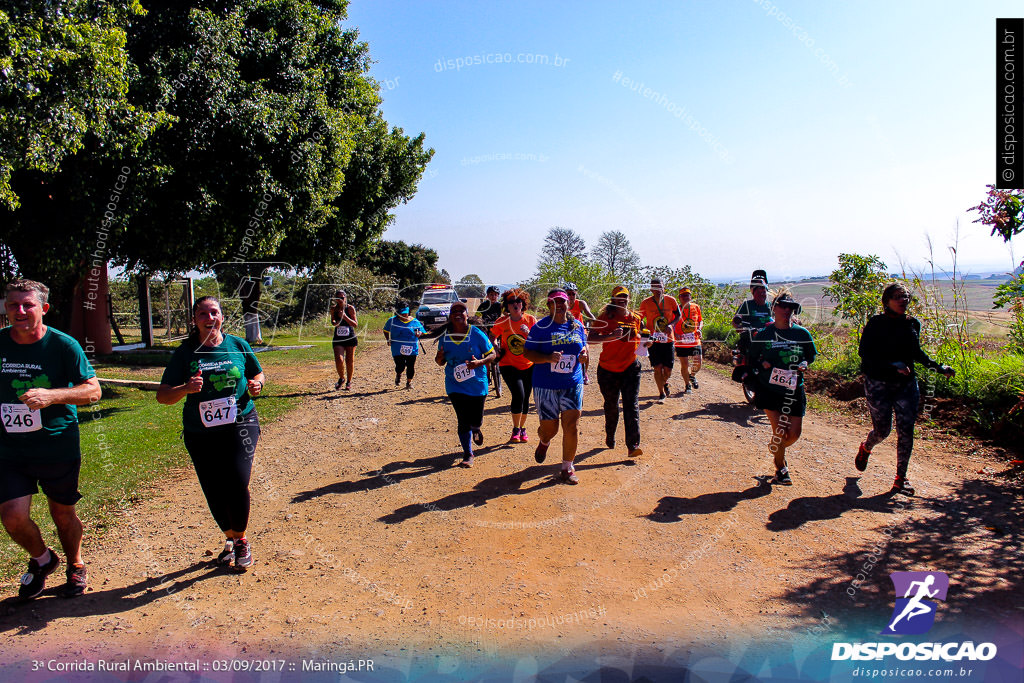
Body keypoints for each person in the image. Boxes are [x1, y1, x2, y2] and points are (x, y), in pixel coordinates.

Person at [0, 279, 101, 600]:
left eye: (27, 304)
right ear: (5, 308)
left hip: (56, 445)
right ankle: (43, 560)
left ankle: (75, 563)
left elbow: (93, 391)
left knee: (62, 514)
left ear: (42, 309)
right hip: (9, 449)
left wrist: (52, 395)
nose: (20, 311)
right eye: (13, 304)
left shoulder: (63, 345)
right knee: (13, 518)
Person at [157, 296, 266, 571]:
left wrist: (256, 385)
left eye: (214, 312)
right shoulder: (185, 353)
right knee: (213, 488)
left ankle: (241, 540)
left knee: (237, 480)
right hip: (201, 431)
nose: (209, 318)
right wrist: (185, 388)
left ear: (222, 317)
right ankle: (229, 537)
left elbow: (259, 373)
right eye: (203, 314)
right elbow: (163, 396)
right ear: (195, 320)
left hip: (241, 422)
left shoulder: (237, 345)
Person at [856, 282, 954, 496]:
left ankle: (901, 479)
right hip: (878, 383)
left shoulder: (912, 324)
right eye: (898, 297)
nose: (903, 301)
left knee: (906, 431)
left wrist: (938, 367)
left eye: (906, 297)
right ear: (887, 301)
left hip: (906, 386)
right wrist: (892, 365)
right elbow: (865, 354)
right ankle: (866, 447)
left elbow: (916, 353)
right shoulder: (875, 324)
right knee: (882, 431)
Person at [748, 291, 817, 486]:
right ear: (774, 308)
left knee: (793, 434)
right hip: (769, 389)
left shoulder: (801, 334)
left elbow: (810, 355)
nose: (787, 310)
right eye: (783, 306)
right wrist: (762, 365)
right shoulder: (764, 334)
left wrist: (804, 363)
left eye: (791, 308)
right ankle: (781, 468)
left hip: (794, 390)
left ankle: (775, 448)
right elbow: (753, 358)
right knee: (779, 431)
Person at [523, 289, 589, 484]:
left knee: (571, 426)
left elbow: (583, 348)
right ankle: (544, 441)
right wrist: (546, 358)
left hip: (572, 383)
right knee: (549, 429)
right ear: (549, 306)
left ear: (568, 303)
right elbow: (528, 353)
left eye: (562, 301)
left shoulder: (576, 326)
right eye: (554, 302)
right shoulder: (540, 327)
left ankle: (567, 467)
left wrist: (584, 356)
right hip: (546, 385)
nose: (559, 305)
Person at [434, 302, 495, 467]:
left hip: (477, 384)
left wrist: (480, 362)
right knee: (462, 419)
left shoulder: (476, 333)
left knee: (476, 419)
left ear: (467, 315)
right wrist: (440, 357)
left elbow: (492, 354)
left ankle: (476, 428)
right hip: (455, 384)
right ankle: (468, 454)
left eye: (462, 311)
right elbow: (440, 362)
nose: (458, 313)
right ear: (450, 316)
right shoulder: (445, 336)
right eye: (454, 311)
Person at [588, 286, 645, 457]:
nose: (623, 299)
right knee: (611, 405)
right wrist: (610, 336)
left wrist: (646, 343)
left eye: (625, 296)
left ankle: (632, 445)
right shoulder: (606, 317)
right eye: (619, 297)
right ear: (613, 299)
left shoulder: (635, 317)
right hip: (608, 370)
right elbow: (590, 338)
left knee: (631, 405)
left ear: (629, 298)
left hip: (630, 367)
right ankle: (610, 434)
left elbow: (642, 336)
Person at [489, 289, 537, 443]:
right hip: (508, 364)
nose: (515, 304)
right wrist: (496, 348)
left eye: (518, 301)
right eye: (511, 302)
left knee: (526, 398)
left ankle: (522, 428)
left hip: (528, 364)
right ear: (507, 306)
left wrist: (529, 333)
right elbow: (492, 337)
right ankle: (515, 428)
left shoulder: (530, 320)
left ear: (523, 304)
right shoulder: (501, 322)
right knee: (519, 394)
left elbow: (538, 342)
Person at [638, 277, 681, 403]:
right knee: (657, 367)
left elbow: (678, 315)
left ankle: (665, 382)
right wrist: (643, 329)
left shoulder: (671, 300)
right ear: (651, 289)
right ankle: (661, 393)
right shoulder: (645, 302)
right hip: (653, 340)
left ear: (663, 287)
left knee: (667, 369)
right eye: (655, 287)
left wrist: (671, 325)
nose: (658, 290)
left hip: (668, 339)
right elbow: (639, 318)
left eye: (660, 286)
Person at [382, 299, 426, 389]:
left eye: (405, 313)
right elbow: (385, 330)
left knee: (411, 365)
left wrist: (419, 333)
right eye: (402, 314)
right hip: (397, 348)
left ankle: (409, 382)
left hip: (412, 348)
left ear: (408, 312)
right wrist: (388, 339)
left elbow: (423, 332)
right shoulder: (392, 321)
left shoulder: (415, 322)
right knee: (400, 366)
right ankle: (399, 374)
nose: (404, 315)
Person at [732, 270, 772, 358]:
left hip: (769, 338)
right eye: (759, 291)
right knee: (746, 358)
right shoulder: (747, 305)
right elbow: (736, 320)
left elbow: (781, 316)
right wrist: (738, 325)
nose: (762, 293)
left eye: (764, 290)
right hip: (750, 338)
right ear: (753, 293)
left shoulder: (771, 306)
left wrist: (792, 320)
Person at [565, 283, 596, 385]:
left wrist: (595, 322)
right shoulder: (562, 304)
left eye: (573, 294)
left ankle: (585, 373)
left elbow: (589, 314)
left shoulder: (581, 303)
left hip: (581, 330)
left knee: (585, 349)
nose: (571, 296)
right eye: (568, 294)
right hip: (566, 330)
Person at [673, 286, 703, 393]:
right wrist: (674, 333)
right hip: (681, 342)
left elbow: (700, 321)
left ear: (690, 297)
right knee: (685, 365)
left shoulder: (696, 307)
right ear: (679, 297)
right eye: (683, 295)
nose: (685, 297)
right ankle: (687, 385)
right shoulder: (676, 309)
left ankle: (692, 375)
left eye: (687, 295)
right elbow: (671, 323)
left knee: (698, 363)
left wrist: (699, 329)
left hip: (694, 340)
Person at [478, 286, 504, 398]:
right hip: (486, 332)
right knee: (486, 353)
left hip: (498, 331)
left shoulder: (500, 306)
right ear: (487, 296)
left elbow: (507, 314)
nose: (493, 297)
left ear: (498, 296)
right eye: (491, 294)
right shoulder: (483, 306)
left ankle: (503, 367)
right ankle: (487, 376)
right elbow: (477, 317)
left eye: (495, 295)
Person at [329, 290, 358, 391]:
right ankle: (342, 378)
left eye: (343, 298)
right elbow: (332, 321)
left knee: (349, 361)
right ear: (336, 299)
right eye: (339, 298)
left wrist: (345, 317)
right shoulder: (334, 309)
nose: (341, 300)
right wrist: (334, 322)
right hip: (338, 338)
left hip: (350, 337)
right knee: (339, 359)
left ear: (345, 298)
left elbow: (355, 324)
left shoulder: (350, 308)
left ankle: (349, 382)